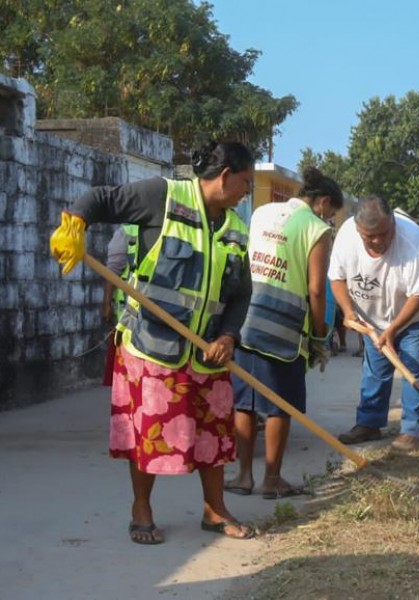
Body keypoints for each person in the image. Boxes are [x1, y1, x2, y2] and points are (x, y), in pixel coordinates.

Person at [50, 140, 256, 544]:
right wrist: (74, 223)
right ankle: (140, 509)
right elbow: (97, 199)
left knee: (213, 437)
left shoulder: (235, 228)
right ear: (226, 175)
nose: (247, 191)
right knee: (148, 437)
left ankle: (215, 511)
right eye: (246, 182)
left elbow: (241, 292)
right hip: (151, 348)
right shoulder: (162, 197)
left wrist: (229, 335)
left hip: (207, 352)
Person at [224, 166, 343, 498]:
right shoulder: (316, 229)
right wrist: (320, 337)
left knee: (244, 402)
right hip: (281, 330)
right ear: (322, 202)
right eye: (331, 212)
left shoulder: (262, 212)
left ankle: (243, 476)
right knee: (280, 405)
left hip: (243, 318)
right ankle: (272, 479)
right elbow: (317, 290)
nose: (330, 219)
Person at [329, 195, 419, 453]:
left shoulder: (411, 240)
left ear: (393, 222)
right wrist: (348, 311)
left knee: (414, 366)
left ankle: (413, 428)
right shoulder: (346, 237)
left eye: (384, 233)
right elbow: (336, 278)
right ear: (359, 230)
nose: (379, 241)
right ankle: (369, 423)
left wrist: (392, 330)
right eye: (371, 236)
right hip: (372, 315)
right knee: (375, 368)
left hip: (416, 312)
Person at [100, 224, 139, 386]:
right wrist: (107, 304)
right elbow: (112, 272)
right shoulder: (126, 233)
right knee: (126, 370)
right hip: (127, 314)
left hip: (154, 313)